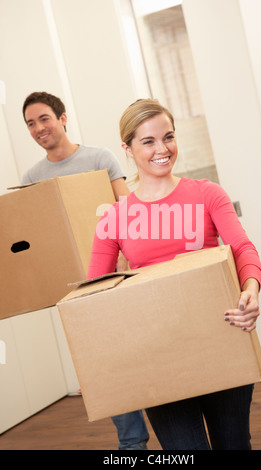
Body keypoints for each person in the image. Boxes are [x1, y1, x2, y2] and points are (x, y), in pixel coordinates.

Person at [87, 98, 261, 450]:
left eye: (168, 137)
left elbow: (243, 248)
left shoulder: (206, 193)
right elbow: (94, 293)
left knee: (233, 445)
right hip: (157, 354)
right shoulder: (114, 218)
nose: (162, 149)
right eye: (148, 141)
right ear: (128, 149)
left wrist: (251, 290)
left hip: (221, 336)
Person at [22, 91, 149, 451]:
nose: (38, 128)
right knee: (101, 363)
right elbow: (38, 238)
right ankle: (132, 444)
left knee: (140, 350)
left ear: (63, 118)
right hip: (74, 285)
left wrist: (127, 259)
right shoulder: (32, 176)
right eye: (30, 123)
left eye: (44, 118)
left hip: (115, 272)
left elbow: (127, 208)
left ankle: (169, 423)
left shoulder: (98, 158)